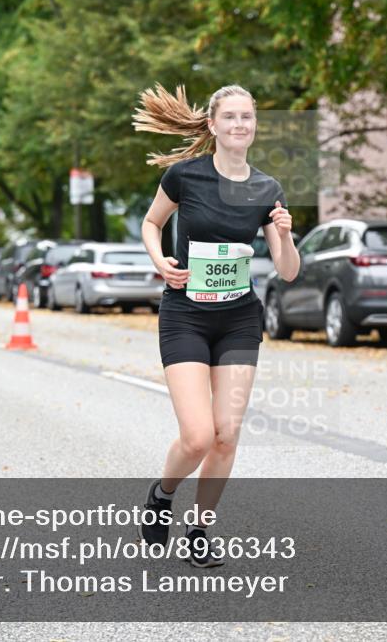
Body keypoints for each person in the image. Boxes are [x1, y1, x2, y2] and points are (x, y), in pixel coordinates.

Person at [133, 84, 300, 568]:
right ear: (212, 125)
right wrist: (159, 261)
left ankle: (200, 530)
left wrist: (285, 236)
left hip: (238, 319)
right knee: (198, 437)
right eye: (229, 117)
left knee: (227, 433)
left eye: (247, 117)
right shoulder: (185, 176)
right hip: (185, 314)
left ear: (254, 125)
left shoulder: (267, 189)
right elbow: (150, 223)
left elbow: (287, 270)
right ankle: (163, 493)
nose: (239, 125)